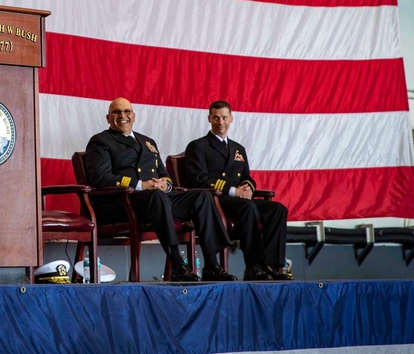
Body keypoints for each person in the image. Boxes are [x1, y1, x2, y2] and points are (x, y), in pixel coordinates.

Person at [85, 98, 237, 282]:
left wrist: (166, 184)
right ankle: (178, 265)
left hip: (155, 200)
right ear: (108, 118)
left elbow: (163, 174)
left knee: (202, 196)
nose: (122, 116)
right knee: (156, 196)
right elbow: (100, 177)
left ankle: (212, 265)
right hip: (123, 202)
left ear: (134, 116)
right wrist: (141, 185)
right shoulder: (100, 141)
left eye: (126, 111)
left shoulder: (148, 142)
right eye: (116, 112)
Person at [183, 100, 290, 281]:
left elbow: (246, 176)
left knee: (278, 210)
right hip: (216, 200)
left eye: (224, 117)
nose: (220, 122)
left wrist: (248, 187)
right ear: (209, 118)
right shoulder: (198, 146)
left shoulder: (238, 148)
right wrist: (234, 191)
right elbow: (199, 180)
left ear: (231, 118)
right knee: (248, 208)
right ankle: (253, 266)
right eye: (216, 117)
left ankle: (272, 266)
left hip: (239, 199)